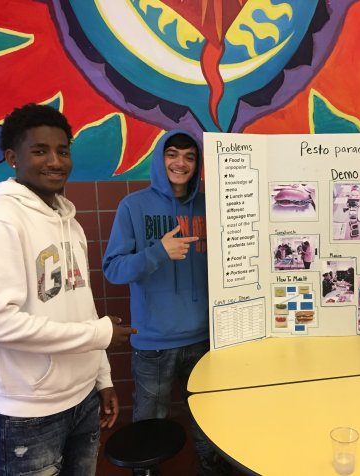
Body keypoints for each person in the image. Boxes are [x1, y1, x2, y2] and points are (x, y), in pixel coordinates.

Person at [0, 103, 136, 476]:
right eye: (40, 151)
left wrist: (101, 378)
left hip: (83, 398)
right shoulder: (1, 220)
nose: (54, 161)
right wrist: (99, 334)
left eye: (62, 151)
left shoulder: (71, 224)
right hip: (29, 410)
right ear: (12, 158)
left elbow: (83, 306)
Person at [103, 131, 228, 475]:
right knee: (149, 424)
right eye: (172, 154)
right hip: (154, 343)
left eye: (189, 156)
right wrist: (158, 252)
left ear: (197, 164)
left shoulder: (212, 205)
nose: (180, 163)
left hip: (204, 338)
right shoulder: (134, 206)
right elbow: (113, 269)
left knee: (207, 417)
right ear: (160, 159)